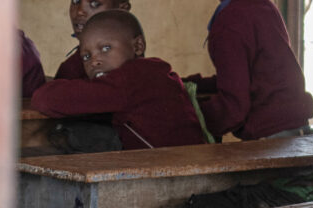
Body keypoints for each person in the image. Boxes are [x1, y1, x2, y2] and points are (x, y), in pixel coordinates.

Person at [189, 0, 313, 139]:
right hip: (296, 134)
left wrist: (189, 122)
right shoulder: (261, 7)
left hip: (270, 143)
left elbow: (233, 106)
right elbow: (245, 79)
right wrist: (190, 85)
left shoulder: (231, 23)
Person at [32, 9, 206, 149]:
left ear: (138, 46)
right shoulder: (150, 73)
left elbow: (45, 100)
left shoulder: (130, 79)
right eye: (85, 56)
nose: (94, 61)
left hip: (174, 172)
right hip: (183, 163)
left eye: (106, 48)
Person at [55, 0, 132, 79]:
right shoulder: (71, 69)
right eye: (76, 0)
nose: (80, 11)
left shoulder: (131, 61)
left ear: (122, 10)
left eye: (94, 3)